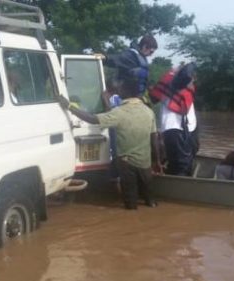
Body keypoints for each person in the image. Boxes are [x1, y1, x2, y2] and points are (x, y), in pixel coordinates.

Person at [59, 76, 161, 210]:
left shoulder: (118, 113)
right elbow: (154, 140)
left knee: (131, 206)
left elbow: (92, 119)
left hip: (127, 163)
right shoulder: (149, 112)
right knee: (151, 201)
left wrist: (69, 106)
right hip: (145, 164)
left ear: (126, 91)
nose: (118, 90)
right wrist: (157, 161)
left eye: (121, 88)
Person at [149, 62, 198, 176]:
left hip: (180, 128)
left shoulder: (171, 82)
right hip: (179, 128)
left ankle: (179, 181)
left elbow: (154, 98)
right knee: (181, 163)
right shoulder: (178, 82)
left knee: (181, 162)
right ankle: (180, 183)